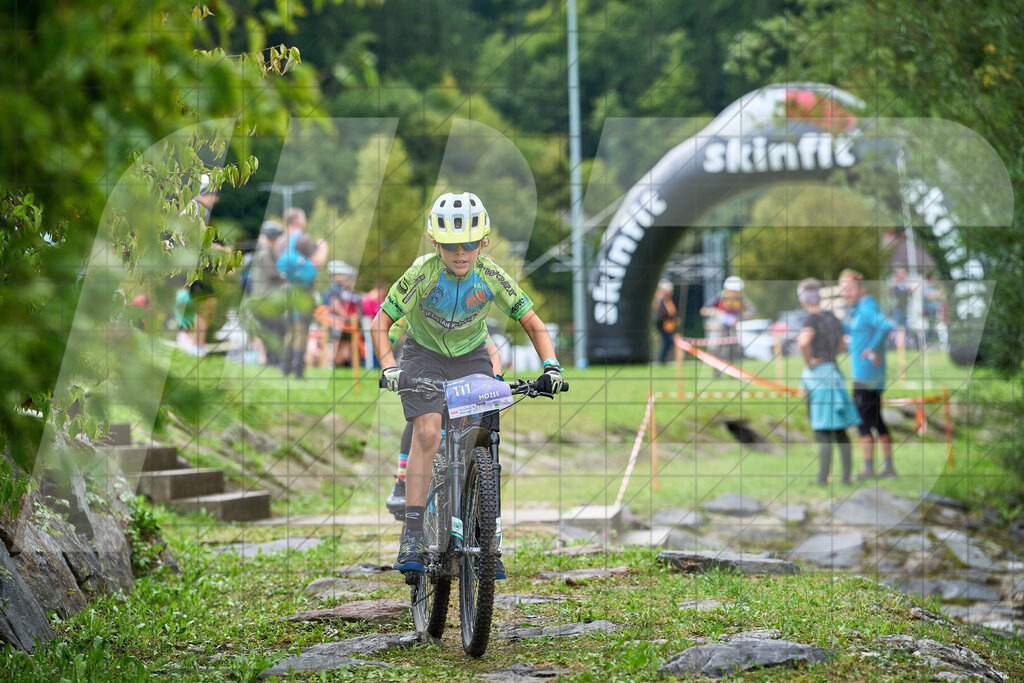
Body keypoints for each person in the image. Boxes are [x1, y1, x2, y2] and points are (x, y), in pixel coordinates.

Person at [371, 191, 564, 579]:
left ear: (483, 244)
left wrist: (551, 365)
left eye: (470, 245)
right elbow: (381, 322)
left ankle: (483, 530)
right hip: (423, 355)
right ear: (435, 243)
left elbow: (531, 320)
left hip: (471, 355)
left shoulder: (491, 275)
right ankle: (411, 535)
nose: (461, 253)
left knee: (481, 438)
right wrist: (390, 366)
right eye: (451, 246)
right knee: (426, 432)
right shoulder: (422, 273)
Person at [385, 320, 506, 519]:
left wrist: (496, 379)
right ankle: (402, 481)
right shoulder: (423, 308)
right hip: (426, 366)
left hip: (461, 374)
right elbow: (392, 331)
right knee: (420, 422)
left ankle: (480, 507)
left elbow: (492, 351)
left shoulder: (469, 317)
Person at [796, 278, 860, 486]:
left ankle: (822, 479)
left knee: (823, 431)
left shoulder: (811, 320)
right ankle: (846, 478)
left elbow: (803, 342)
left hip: (819, 377)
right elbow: (842, 345)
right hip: (835, 374)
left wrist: (809, 362)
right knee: (840, 430)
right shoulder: (833, 317)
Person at [839, 268, 897, 479]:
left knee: (864, 423)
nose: (846, 293)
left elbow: (885, 326)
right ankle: (888, 468)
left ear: (861, 288)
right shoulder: (860, 310)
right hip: (870, 376)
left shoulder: (866, 307)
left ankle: (868, 470)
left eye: (849, 288)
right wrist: (840, 326)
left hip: (865, 378)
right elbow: (859, 332)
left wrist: (873, 349)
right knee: (877, 420)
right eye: (843, 290)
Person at [277, 233, 320, 378]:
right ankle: (297, 370)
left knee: (290, 333)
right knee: (301, 333)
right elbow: (313, 273)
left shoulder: (290, 258)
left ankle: (285, 367)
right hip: (302, 300)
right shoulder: (305, 264)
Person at [248, 220, 287, 365]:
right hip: (266, 301)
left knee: (277, 330)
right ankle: (273, 363)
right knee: (275, 331)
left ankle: (274, 362)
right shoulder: (264, 253)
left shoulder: (265, 251)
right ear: (273, 237)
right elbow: (274, 274)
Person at [700, 275, 749, 375]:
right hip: (720, 329)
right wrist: (718, 313)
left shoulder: (741, 299)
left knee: (734, 350)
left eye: (736, 291)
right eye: (732, 291)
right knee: (719, 350)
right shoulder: (720, 297)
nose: (734, 294)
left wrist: (741, 318)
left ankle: (734, 372)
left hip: (733, 330)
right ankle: (718, 372)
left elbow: (750, 310)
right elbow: (704, 310)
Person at [322, 260, 363, 368]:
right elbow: (334, 304)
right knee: (336, 345)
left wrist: (354, 318)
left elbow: (357, 307)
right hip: (337, 322)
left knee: (346, 350)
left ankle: (337, 366)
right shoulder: (334, 289)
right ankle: (328, 366)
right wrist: (346, 316)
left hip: (349, 323)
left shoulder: (351, 291)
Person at [652, 279, 679, 364]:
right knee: (667, 341)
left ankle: (663, 359)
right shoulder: (660, 299)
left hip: (668, 324)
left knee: (668, 341)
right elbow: (662, 312)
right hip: (664, 324)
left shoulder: (666, 299)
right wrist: (672, 318)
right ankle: (661, 359)